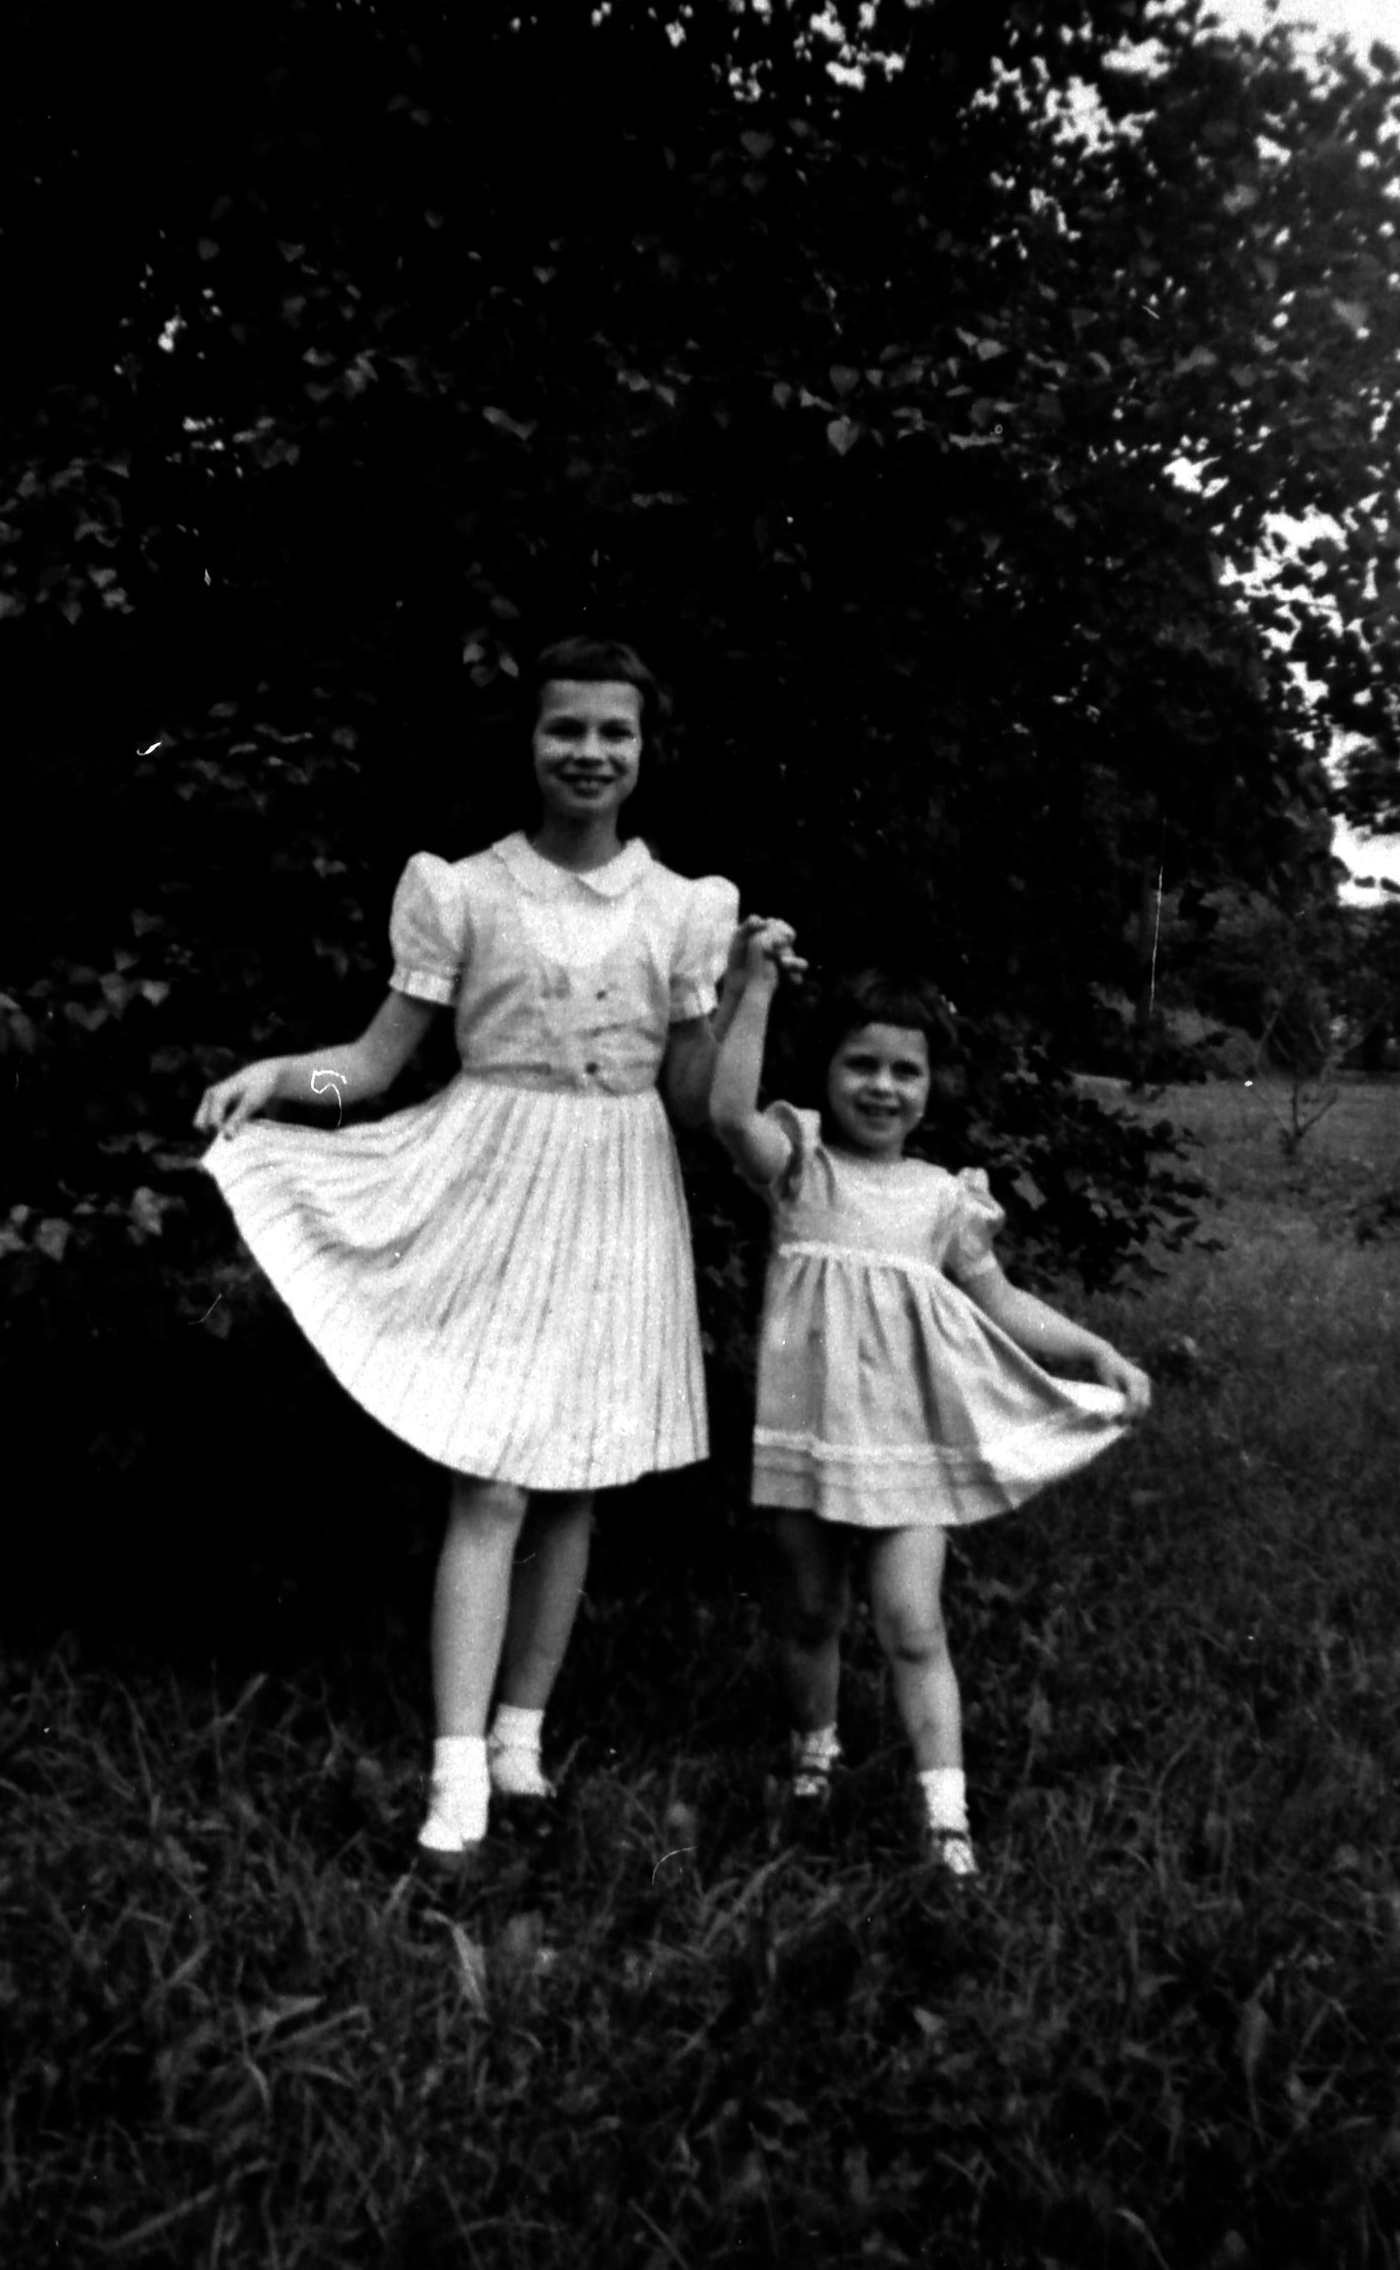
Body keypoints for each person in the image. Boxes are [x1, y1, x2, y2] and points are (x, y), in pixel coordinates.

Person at [194, 637, 741, 1867]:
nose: (589, 752)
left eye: (614, 731)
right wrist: (284, 1075)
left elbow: (699, 1097)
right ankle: (453, 1763)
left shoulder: (683, 907)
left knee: (575, 1477)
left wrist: (744, 992)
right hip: (491, 1175)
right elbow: (379, 1060)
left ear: (645, 748)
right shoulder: (465, 889)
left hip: (617, 1187)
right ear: (528, 742)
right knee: (490, 1477)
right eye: (566, 730)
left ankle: (519, 1736)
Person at [710, 928, 1151, 1877]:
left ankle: (943, 1816)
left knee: (913, 1621)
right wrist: (752, 991)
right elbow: (723, 1113)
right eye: (859, 1064)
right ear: (824, 1071)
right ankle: (812, 1759)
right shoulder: (799, 1162)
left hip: (908, 1440)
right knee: (810, 1613)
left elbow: (1000, 1300)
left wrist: (1094, 1347)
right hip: (808, 1431)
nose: (881, 1086)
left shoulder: (944, 1197)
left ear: (931, 1084)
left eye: (903, 1070)